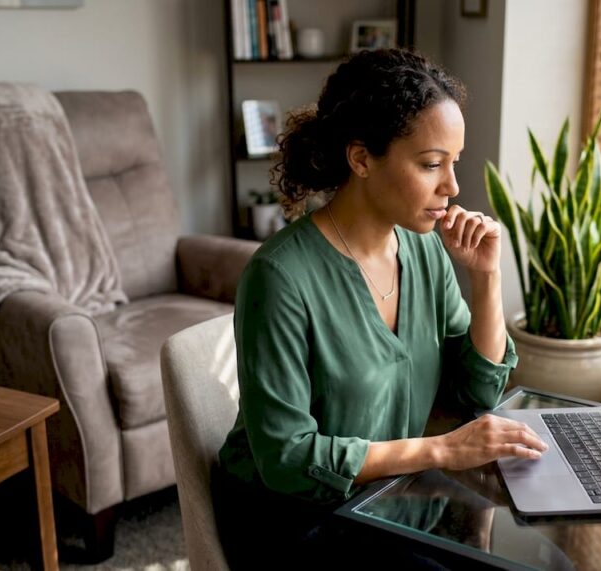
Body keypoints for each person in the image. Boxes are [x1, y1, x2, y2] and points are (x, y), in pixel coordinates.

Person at [215, 48, 548, 568]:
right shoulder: (278, 278)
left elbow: (477, 389)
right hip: (295, 518)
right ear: (361, 158)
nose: (453, 187)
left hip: (391, 494)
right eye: (431, 164)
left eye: (453, 163)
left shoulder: (423, 247)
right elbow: (286, 459)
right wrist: (441, 450)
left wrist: (486, 279)